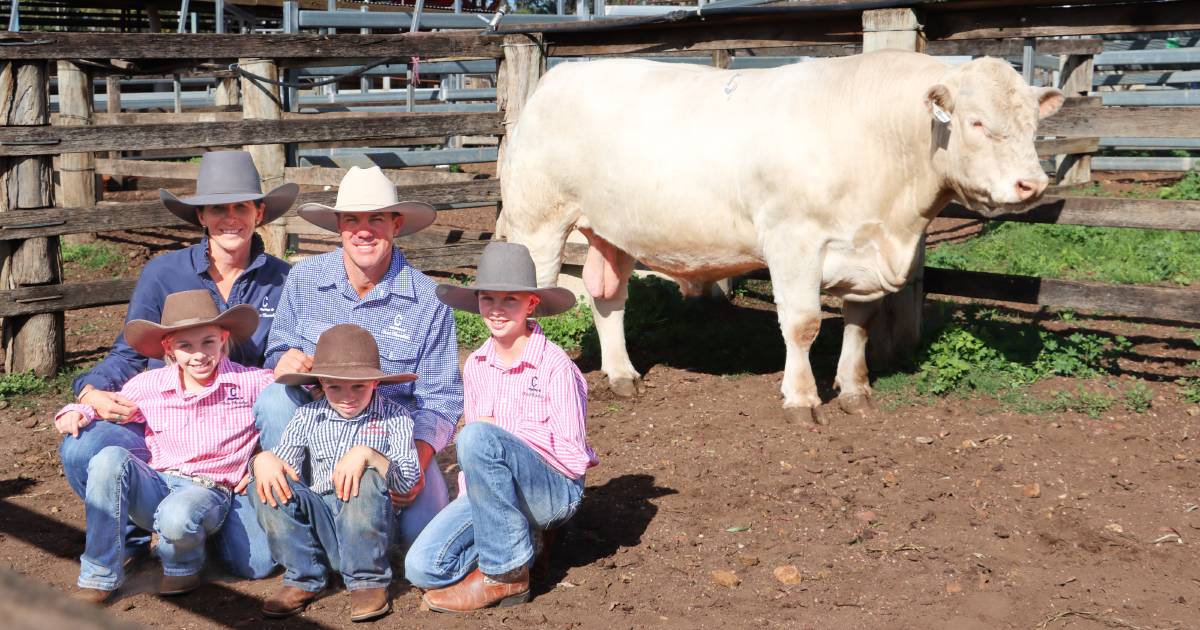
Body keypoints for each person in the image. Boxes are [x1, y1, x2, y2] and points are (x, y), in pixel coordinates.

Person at [59, 151, 296, 579]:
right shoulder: (164, 272)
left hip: (239, 434)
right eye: (217, 208)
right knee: (84, 445)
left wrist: (262, 451)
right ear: (201, 216)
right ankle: (129, 536)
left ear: (259, 213)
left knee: (256, 565)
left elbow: (282, 366)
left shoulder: (283, 279)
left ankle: (200, 528)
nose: (230, 218)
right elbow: (129, 353)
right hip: (170, 423)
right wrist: (90, 390)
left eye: (241, 206)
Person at [253, 165, 464, 549]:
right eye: (352, 219)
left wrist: (416, 456)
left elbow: (442, 397)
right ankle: (301, 522)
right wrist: (284, 359)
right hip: (317, 426)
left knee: (420, 539)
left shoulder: (428, 299)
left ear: (396, 224)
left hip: (392, 435)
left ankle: (354, 537)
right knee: (274, 399)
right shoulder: (305, 278)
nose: (364, 230)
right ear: (338, 225)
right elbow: (278, 347)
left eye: (376, 219)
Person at [405, 241, 598, 613]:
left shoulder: (555, 366)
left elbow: (572, 456)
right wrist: (471, 496)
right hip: (494, 491)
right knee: (422, 566)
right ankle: (520, 543)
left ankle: (506, 576)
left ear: (531, 304)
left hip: (553, 490)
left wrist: (503, 432)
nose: (496, 310)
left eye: (510, 299)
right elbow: (477, 455)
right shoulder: (476, 364)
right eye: (487, 298)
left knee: (477, 435)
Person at [54, 290, 274, 604]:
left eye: (208, 342)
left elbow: (295, 399)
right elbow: (107, 406)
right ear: (168, 347)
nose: (199, 355)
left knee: (184, 517)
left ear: (223, 338)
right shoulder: (149, 384)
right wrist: (77, 410)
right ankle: (100, 574)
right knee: (108, 459)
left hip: (209, 489)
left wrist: (263, 457)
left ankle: (183, 563)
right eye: (186, 345)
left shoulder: (251, 383)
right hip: (158, 484)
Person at [250, 324, 422, 622]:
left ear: (375, 383)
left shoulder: (396, 416)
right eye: (335, 387)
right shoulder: (308, 415)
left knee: (365, 478)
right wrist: (262, 460)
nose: (347, 397)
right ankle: (303, 575)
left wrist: (370, 455)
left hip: (368, 523)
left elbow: (407, 481)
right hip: (322, 516)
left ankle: (368, 580)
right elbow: (287, 470)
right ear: (321, 382)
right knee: (266, 482)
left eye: (359, 386)